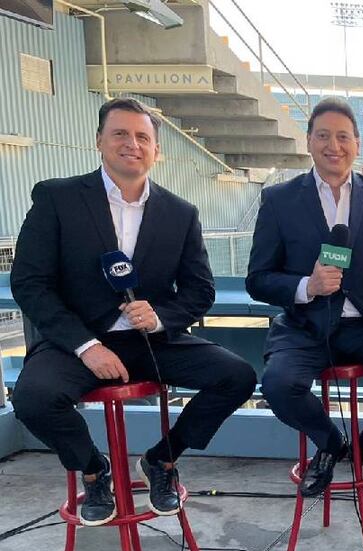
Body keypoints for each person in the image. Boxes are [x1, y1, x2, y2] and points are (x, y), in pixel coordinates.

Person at [10, 97, 256, 525]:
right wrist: (86, 345)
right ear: (100, 141)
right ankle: (93, 468)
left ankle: (162, 459)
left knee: (237, 375)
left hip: (151, 341)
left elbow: (200, 291)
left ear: (156, 150)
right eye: (120, 133)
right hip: (79, 342)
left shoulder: (181, 213)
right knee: (33, 399)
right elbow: (29, 284)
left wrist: (161, 316)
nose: (132, 144)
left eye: (143, 137)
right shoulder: (57, 198)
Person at [247, 96, 363, 497]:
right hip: (305, 324)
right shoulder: (279, 199)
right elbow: (258, 278)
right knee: (278, 386)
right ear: (308, 141)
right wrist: (306, 286)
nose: (333, 145)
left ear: (357, 143)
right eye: (323, 136)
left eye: (342, 136)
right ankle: (332, 445)